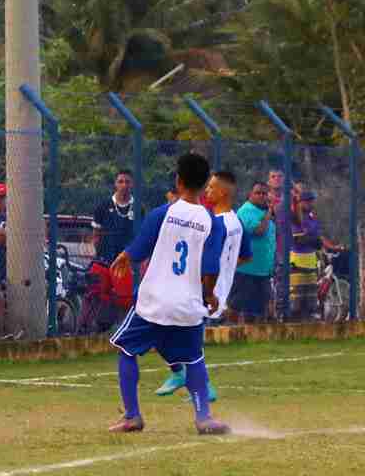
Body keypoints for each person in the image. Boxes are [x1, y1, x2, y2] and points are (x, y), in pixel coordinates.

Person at [107, 153, 229, 435]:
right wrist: (209, 295)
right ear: (204, 186)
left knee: (126, 349)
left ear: (178, 180)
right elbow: (210, 268)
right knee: (194, 358)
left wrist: (125, 256)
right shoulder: (213, 223)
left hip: (153, 301)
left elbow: (140, 248)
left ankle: (132, 416)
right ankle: (204, 418)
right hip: (187, 304)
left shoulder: (162, 214)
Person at [154, 171, 252, 401]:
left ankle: (186, 376)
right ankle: (192, 379)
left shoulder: (215, 224)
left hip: (203, 289)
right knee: (179, 334)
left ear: (223, 192)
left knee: (161, 327)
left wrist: (205, 283)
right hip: (218, 289)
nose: (206, 191)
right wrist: (226, 270)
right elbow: (245, 255)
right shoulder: (236, 221)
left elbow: (206, 260)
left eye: (210, 188)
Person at [230, 182, 275, 323]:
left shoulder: (264, 211)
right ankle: (229, 330)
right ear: (250, 194)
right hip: (246, 269)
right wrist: (269, 213)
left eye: (264, 193)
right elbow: (258, 231)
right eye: (258, 193)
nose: (262, 196)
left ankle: (255, 336)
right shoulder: (246, 210)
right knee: (236, 305)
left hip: (263, 269)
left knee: (260, 308)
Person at [289, 190, 323, 320]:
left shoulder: (312, 218)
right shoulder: (295, 218)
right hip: (297, 264)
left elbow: (318, 242)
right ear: (300, 202)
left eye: (311, 200)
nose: (310, 203)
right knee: (296, 303)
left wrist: (311, 239)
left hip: (311, 263)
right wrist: (312, 239)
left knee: (310, 303)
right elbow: (299, 240)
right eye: (307, 201)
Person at [92, 170, 135, 263]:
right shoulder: (103, 206)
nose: (124, 185)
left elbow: (141, 236)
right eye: (120, 181)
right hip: (106, 261)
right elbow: (96, 236)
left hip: (127, 262)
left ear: (132, 184)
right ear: (115, 184)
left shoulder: (138, 208)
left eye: (127, 182)